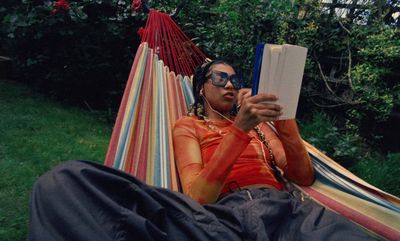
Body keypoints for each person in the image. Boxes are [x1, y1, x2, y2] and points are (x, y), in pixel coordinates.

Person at [28, 60, 378, 241]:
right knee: (62, 182)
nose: (230, 84)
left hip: (288, 212)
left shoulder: (260, 127)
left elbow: (302, 175)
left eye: (235, 80)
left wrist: (283, 119)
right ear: (201, 89)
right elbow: (197, 197)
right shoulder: (188, 126)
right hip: (222, 218)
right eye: (220, 78)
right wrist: (238, 130)